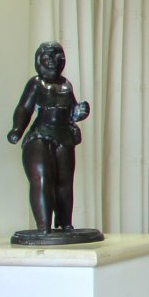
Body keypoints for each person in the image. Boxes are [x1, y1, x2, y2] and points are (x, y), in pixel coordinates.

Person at [7, 41, 96, 240]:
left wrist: (80, 112)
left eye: (57, 58)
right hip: (41, 135)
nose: (53, 62)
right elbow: (24, 108)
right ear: (40, 60)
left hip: (63, 136)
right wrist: (17, 129)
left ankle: (65, 224)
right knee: (43, 178)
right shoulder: (36, 84)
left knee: (64, 182)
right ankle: (44, 227)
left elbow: (71, 111)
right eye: (48, 58)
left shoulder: (66, 85)